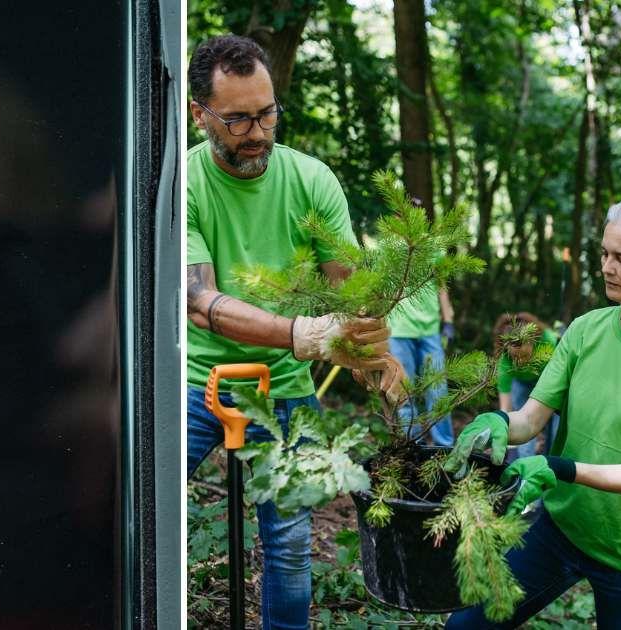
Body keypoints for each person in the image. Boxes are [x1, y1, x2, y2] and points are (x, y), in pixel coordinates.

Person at [185, 35, 401, 629]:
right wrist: (302, 334)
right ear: (199, 114)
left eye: (267, 113)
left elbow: (352, 291)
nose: (258, 132)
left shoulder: (312, 180)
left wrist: (374, 351)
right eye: (238, 120)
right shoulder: (184, 183)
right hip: (195, 384)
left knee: (288, 546)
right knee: (141, 513)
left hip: (283, 390)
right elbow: (199, 301)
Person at [443, 182, 621, 629]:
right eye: (604, 253)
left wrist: (560, 468)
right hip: (561, 527)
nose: (607, 267)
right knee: (465, 627)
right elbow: (531, 419)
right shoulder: (586, 330)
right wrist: (499, 421)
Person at [388, 278, 456, 445]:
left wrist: (448, 319)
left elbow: (441, 284)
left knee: (438, 391)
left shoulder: (435, 257)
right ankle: (413, 446)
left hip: (430, 329)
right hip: (398, 330)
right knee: (404, 394)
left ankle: (444, 447)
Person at [492, 311, 560, 459]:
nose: (521, 362)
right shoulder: (504, 360)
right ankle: (524, 463)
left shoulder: (548, 341)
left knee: (556, 427)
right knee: (522, 420)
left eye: (524, 355)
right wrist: (506, 441)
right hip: (522, 384)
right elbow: (505, 409)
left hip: (549, 380)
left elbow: (560, 376)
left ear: (533, 342)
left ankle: (552, 461)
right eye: (516, 357)